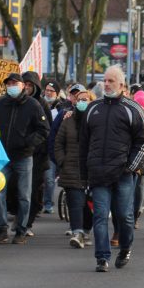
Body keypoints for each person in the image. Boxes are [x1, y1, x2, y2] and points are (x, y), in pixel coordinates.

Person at [80, 65, 144, 272]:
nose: (107, 84)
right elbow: (83, 144)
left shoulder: (132, 109)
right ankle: (102, 258)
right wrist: (84, 175)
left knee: (125, 216)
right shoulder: (93, 109)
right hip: (98, 173)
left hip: (122, 174)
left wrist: (130, 166)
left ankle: (126, 248)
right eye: (105, 80)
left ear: (122, 85)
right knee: (100, 216)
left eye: (112, 81)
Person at [0, 72, 50, 245]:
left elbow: (43, 130)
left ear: (23, 85)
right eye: (8, 83)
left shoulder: (33, 105)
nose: (11, 86)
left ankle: (21, 230)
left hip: (24, 157)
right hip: (3, 157)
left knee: (24, 195)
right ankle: (1, 229)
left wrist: (28, 143)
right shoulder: (0, 104)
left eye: (15, 83)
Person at [54, 87, 94, 248]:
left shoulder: (96, 120)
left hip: (90, 169)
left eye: (85, 99)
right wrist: (62, 161)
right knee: (75, 202)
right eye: (79, 99)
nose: (82, 102)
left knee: (88, 204)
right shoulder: (68, 120)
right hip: (70, 168)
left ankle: (85, 230)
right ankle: (77, 232)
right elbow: (58, 143)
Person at [21, 71, 52, 235]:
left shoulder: (42, 105)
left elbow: (47, 130)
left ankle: (27, 223)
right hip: (18, 154)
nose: (26, 87)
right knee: (18, 190)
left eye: (29, 85)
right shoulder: (14, 103)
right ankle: (20, 220)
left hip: (37, 155)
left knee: (33, 191)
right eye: (23, 84)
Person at [42, 80, 65, 214]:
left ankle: (48, 203)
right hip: (40, 147)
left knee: (49, 178)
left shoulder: (61, 108)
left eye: (51, 91)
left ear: (57, 93)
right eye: (47, 90)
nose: (48, 93)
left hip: (53, 148)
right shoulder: (39, 104)